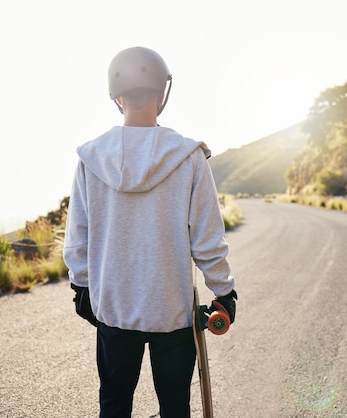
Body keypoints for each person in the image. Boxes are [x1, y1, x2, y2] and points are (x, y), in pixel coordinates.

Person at [63, 46, 237, 418]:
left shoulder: (91, 158)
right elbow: (207, 240)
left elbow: (78, 236)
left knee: (113, 404)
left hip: (113, 308)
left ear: (117, 97)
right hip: (172, 311)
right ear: (162, 94)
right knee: (175, 407)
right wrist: (224, 291)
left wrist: (81, 285)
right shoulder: (189, 157)